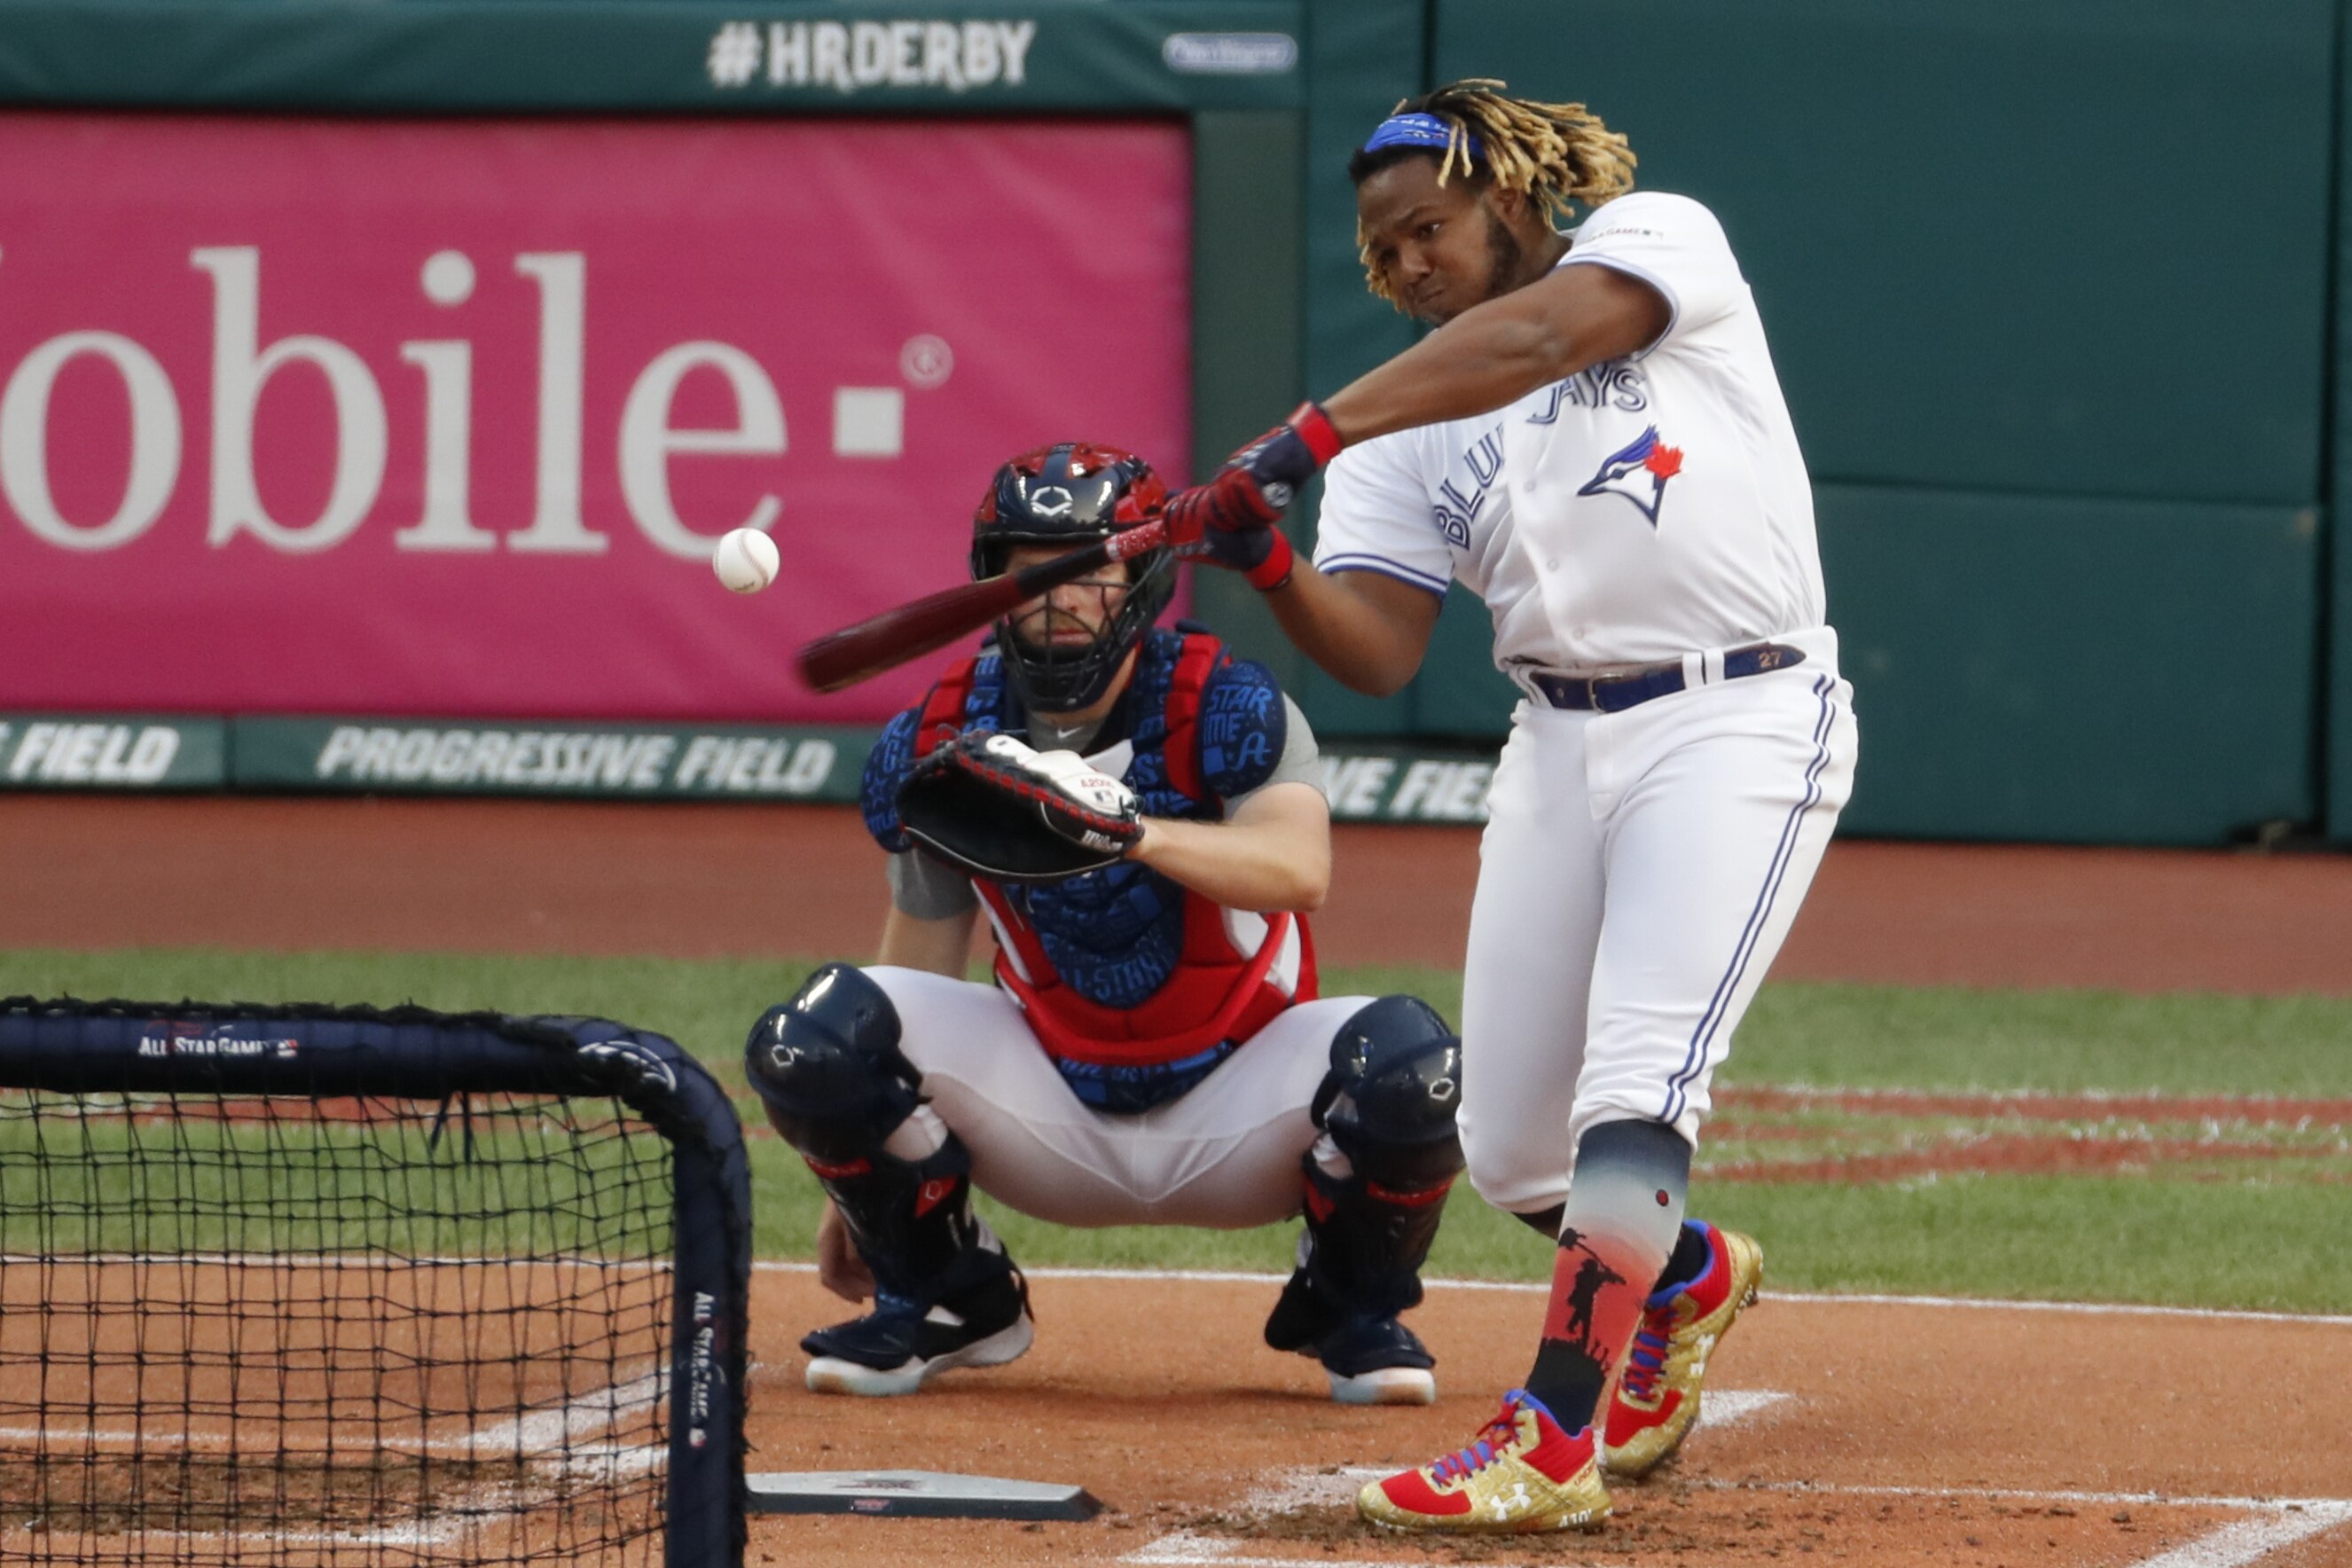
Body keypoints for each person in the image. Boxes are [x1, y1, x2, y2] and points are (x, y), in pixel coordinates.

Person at [1162, 81, 1859, 1532]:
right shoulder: (1405, 433)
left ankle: (1548, 1434)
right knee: (1514, 1147)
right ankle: (1690, 1276)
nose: (1411, 260)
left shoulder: (1654, 242)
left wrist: (1296, 435)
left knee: (1635, 1086)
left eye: (1432, 224)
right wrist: (1270, 561)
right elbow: (1381, 650)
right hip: (1557, 738)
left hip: (1737, 716)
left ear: (1513, 196)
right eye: (1385, 245)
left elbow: (1538, 336)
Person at [743, 442, 1465, 1406]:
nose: (1059, 594)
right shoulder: (941, 733)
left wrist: (1128, 833)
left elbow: (1299, 871)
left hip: (1240, 1104)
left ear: (1140, 577)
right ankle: (948, 1293)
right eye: (1028, 570)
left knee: (1419, 1065)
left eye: (1089, 568)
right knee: (812, 1036)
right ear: (991, 581)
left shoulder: (1226, 703)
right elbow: (915, 958)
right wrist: (863, 1181)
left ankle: (1351, 1302)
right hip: (1047, 1108)